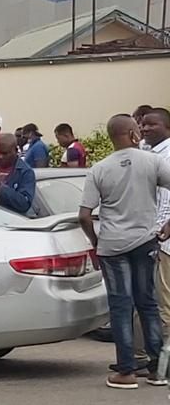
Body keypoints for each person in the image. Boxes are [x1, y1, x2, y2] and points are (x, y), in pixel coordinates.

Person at [79, 114, 170, 389]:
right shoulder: (153, 161)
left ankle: (127, 371)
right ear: (132, 133)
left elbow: (84, 215)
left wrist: (95, 243)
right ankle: (157, 370)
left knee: (120, 307)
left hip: (112, 246)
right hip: (145, 242)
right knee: (148, 304)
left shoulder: (99, 169)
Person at [143, 108, 170, 331]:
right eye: (143, 124)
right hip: (154, 237)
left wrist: (164, 227)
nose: (145, 128)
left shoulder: (166, 156)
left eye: (152, 124)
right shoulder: (149, 153)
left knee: (165, 305)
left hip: (165, 241)